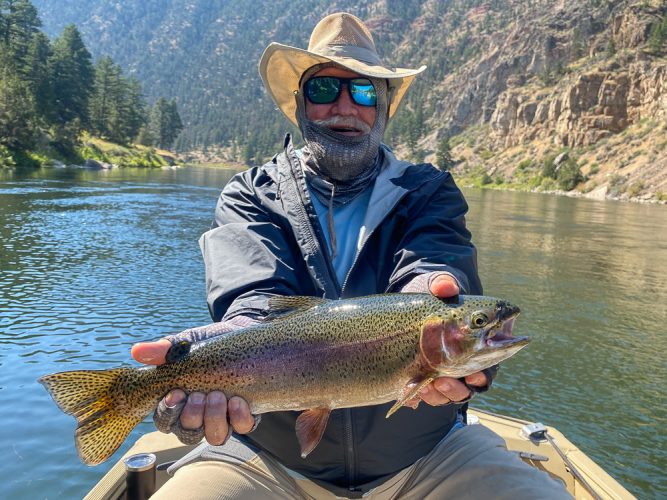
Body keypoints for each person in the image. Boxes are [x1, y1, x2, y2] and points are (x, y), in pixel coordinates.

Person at [132, 12, 570, 499]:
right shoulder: (249, 195)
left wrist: (435, 299)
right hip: (265, 459)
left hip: (429, 455)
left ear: (383, 108)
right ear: (300, 105)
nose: (345, 106)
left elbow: (432, 269)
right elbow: (254, 302)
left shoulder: (428, 192)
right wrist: (220, 353)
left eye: (364, 92)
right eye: (324, 90)